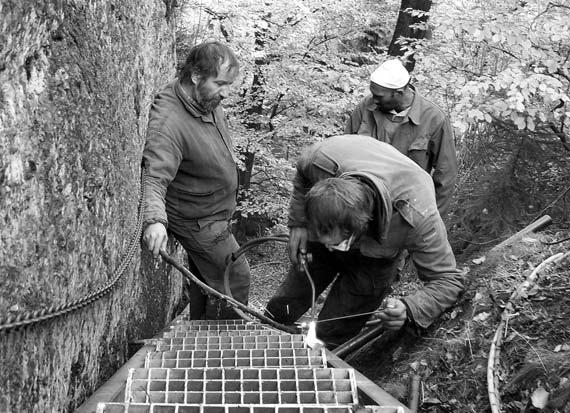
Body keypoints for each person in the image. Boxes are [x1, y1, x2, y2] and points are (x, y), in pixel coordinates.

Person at [265, 134, 465, 348]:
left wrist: (409, 307)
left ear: (361, 229)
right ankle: (266, 332)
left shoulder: (419, 217)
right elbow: (303, 173)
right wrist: (299, 223)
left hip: (375, 262)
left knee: (333, 333)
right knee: (285, 303)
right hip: (336, 211)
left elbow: (448, 281)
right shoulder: (322, 161)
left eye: (335, 244)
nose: (328, 247)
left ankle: (321, 361)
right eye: (322, 238)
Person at [141, 41, 250, 320]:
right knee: (234, 274)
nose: (226, 93)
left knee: (206, 277)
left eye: (229, 84)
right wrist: (154, 220)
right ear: (196, 76)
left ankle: (203, 329)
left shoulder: (204, 98)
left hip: (211, 210)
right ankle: (229, 341)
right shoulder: (169, 122)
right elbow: (154, 174)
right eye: (221, 83)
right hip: (197, 218)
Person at [345, 59, 457, 218]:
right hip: (361, 207)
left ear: (398, 92)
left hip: (405, 214)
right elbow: (343, 151)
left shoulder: (434, 119)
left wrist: (431, 221)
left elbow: (446, 176)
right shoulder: (366, 107)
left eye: (379, 96)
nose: (374, 100)